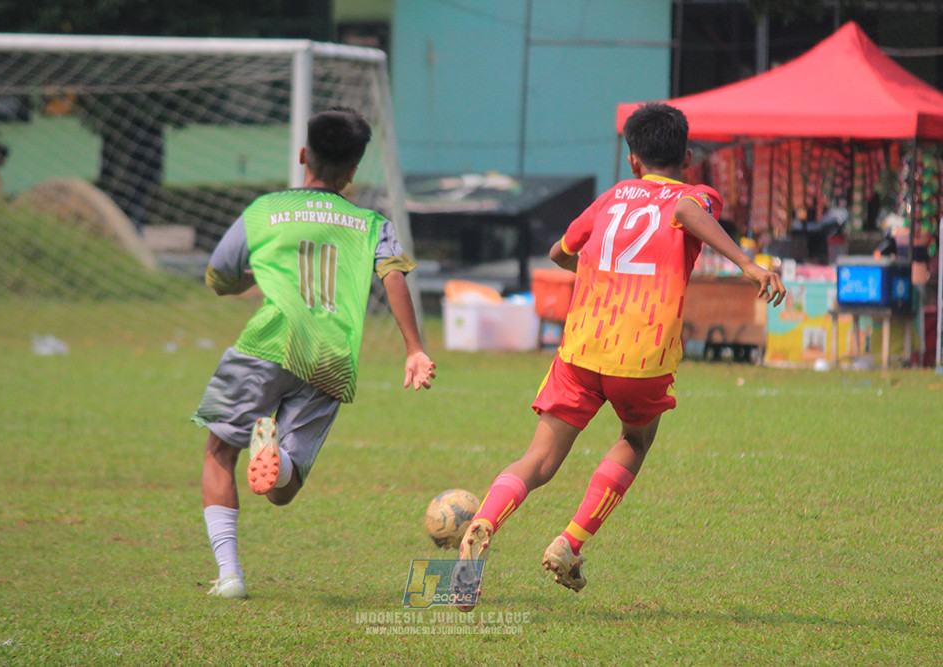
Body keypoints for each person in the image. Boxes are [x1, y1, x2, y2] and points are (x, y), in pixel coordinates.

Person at [452, 103, 786, 608]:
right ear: (687, 157)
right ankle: (570, 542)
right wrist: (748, 264)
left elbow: (559, 253)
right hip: (642, 354)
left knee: (538, 459)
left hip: (581, 347)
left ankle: (484, 521)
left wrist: (599, 271)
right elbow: (687, 212)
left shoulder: (610, 198)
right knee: (635, 439)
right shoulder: (697, 195)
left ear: (633, 161)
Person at [193, 107, 436, 600]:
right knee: (283, 489)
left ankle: (230, 576)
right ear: (353, 171)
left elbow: (219, 275)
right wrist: (414, 347)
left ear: (304, 155)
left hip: (267, 343)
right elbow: (393, 276)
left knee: (220, 452)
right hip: (331, 357)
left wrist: (242, 281)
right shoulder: (370, 222)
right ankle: (278, 458)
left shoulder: (265, 210)